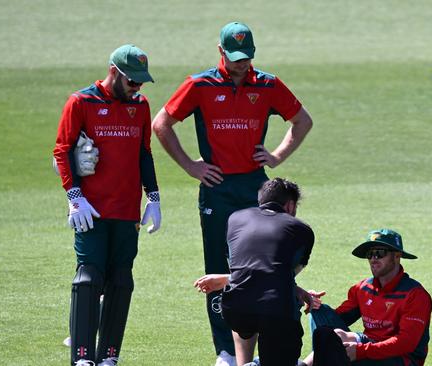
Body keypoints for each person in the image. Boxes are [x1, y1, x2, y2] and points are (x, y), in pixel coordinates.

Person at [152, 21, 313, 365]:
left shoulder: (267, 84)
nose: (242, 64)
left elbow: (302, 121)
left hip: (256, 187)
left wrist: (277, 156)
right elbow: (161, 123)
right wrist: (190, 166)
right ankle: (226, 351)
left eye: (247, 57)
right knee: (218, 268)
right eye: (235, 57)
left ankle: (262, 347)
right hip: (217, 188)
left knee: (267, 263)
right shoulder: (200, 84)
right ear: (220, 52)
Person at [53, 44, 161, 366]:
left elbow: (144, 153)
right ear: (114, 72)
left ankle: (109, 357)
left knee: (121, 280)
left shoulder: (140, 105)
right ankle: (83, 358)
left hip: (127, 212)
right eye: (132, 81)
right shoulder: (81, 102)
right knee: (88, 278)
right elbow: (62, 152)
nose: (137, 88)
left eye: (141, 82)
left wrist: (153, 198)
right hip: (91, 212)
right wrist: (74, 198)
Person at [193, 178, 318, 366]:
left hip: (235, 310)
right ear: (290, 206)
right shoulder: (301, 229)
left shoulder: (236, 218)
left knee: (245, 298)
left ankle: (243, 363)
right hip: (276, 311)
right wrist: (296, 291)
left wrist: (227, 279)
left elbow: (245, 269)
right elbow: (284, 273)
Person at [307, 229, 432, 366]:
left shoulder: (416, 295)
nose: (373, 259)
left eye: (379, 253)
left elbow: (405, 344)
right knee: (323, 318)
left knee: (337, 354)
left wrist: (360, 351)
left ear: (397, 256)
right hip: (369, 344)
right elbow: (336, 319)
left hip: (402, 358)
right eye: (370, 254)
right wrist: (312, 302)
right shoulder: (363, 288)